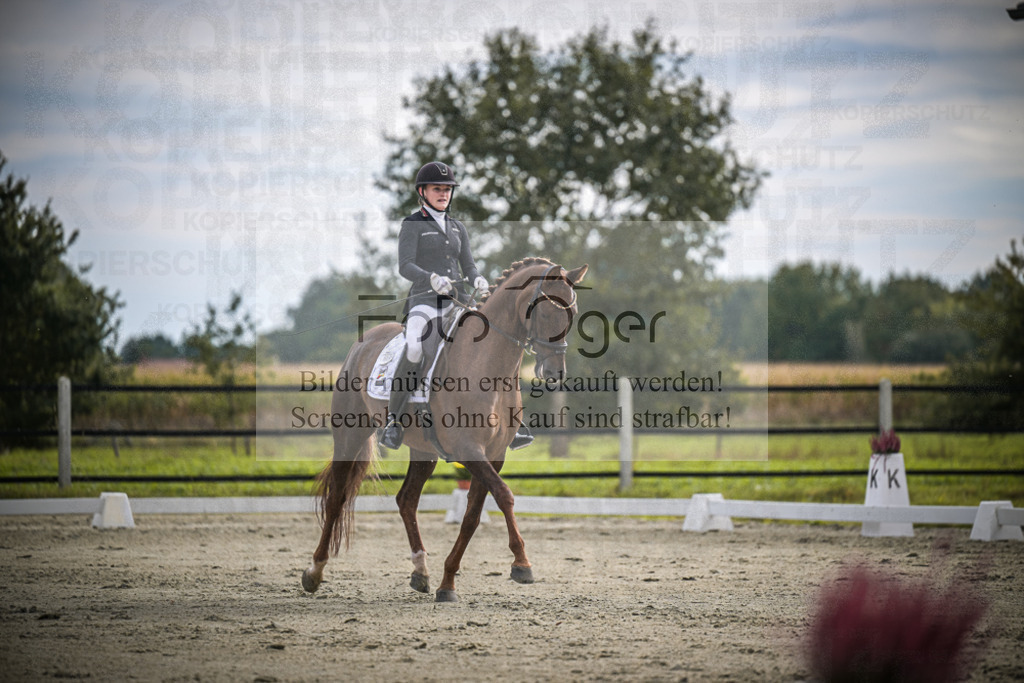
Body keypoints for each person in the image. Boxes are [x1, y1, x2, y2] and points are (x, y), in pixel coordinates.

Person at [378, 161, 533, 451]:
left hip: (458, 303)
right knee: (414, 346)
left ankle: (512, 419)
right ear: (422, 191)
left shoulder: (457, 227)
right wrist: (430, 278)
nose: (443, 194)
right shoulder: (412, 225)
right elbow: (405, 265)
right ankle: (395, 421)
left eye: (447, 189)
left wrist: (478, 279)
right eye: (438, 189)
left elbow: (469, 265)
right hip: (424, 303)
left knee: (492, 344)